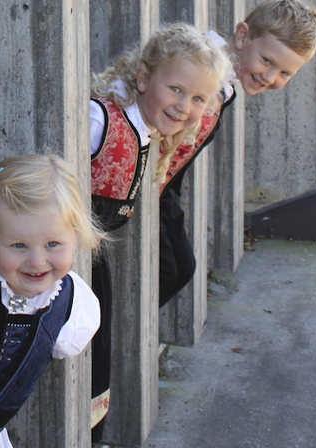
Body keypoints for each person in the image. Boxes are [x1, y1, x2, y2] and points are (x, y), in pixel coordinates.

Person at [87, 23, 234, 441]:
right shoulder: (100, 119)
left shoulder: (148, 130)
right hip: (64, 256)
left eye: (198, 99)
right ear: (143, 77)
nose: (184, 106)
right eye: (175, 89)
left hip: (90, 255)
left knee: (98, 351)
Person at [158, 0, 316, 308]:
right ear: (243, 36)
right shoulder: (203, 73)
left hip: (166, 189)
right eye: (267, 61)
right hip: (153, 185)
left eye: (286, 73)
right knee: (170, 272)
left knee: (180, 269)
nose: (270, 77)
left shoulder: (225, 86)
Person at [0, 154, 102, 448]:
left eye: (52, 244)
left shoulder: (71, 305)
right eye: (18, 245)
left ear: (75, 236)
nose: (36, 262)